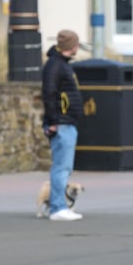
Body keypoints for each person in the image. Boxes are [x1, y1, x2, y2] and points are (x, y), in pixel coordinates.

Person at [41, 29, 84, 221]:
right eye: (76, 45)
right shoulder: (55, 65)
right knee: (61, 167)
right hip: (61, 122)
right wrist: (52, 120)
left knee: (63, 166)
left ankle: (58, 205)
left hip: (66, 121)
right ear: (71, 46)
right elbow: (49, 93)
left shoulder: (60, 64)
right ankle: (57, 207)